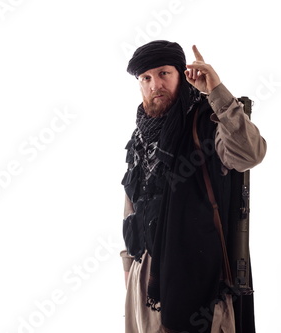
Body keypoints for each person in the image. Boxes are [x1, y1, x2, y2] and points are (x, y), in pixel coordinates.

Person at [119, 40, 266, 333]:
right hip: (146, 282)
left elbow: (250, 154)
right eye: (145, 78)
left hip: (199, 285)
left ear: (182, 74)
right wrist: (129, 271)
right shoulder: (140, 137)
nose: (154, 84)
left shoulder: (207, 122)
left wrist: (216, 93)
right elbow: (132, 206)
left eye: (163, 73)